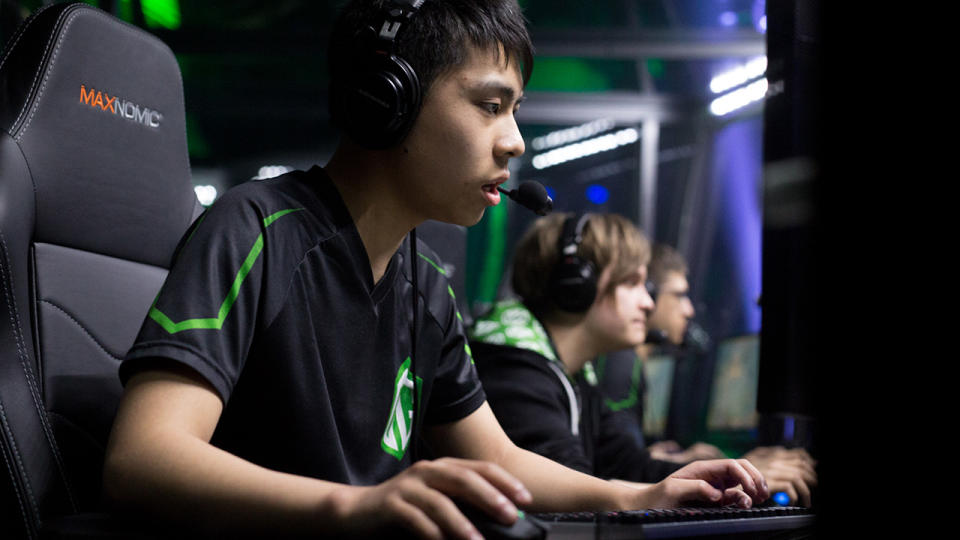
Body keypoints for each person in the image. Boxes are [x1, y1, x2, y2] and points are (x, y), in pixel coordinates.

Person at [102, 2, 769, 538]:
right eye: (490, 105)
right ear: (386, 101)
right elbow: (142, 458)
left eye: (515, 110)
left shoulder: (427, 287)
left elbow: (498, 459)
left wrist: (642, 494)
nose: (515, 140)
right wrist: (356, 508)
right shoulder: (256, 231)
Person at [469, 213, 691, 486]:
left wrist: (718, 478)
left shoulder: (576, 372)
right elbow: (571, 491)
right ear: (577, 284)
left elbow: (625, 464)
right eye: (632, 283)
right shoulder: (511, 367)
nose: (647, 303)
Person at [597, 243, 817, 506]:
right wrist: (720, 470)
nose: (689, 310)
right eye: (679, 295)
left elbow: (616, 461)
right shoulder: (621, 363)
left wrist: (681, 461)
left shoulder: (623, 363)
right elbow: (616, 468)